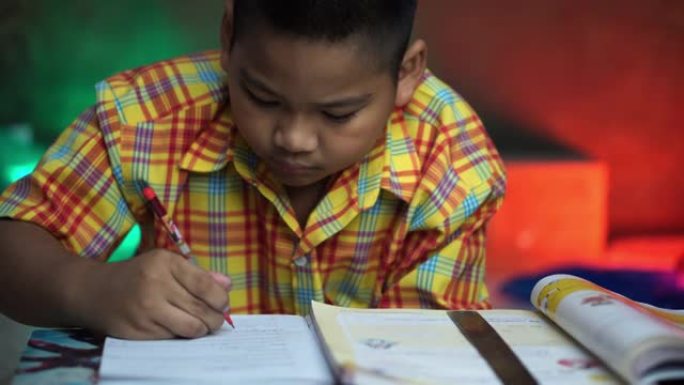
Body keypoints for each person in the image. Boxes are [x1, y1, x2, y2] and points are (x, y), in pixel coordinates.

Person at [0, 0, 506, 340]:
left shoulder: (452, 163)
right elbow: (13, 246)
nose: (293, 139)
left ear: (406, 74)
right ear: (227, 37)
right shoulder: (145, 118)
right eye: (261, 97)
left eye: (338, 114)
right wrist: (88, 288)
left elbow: (428, 353)